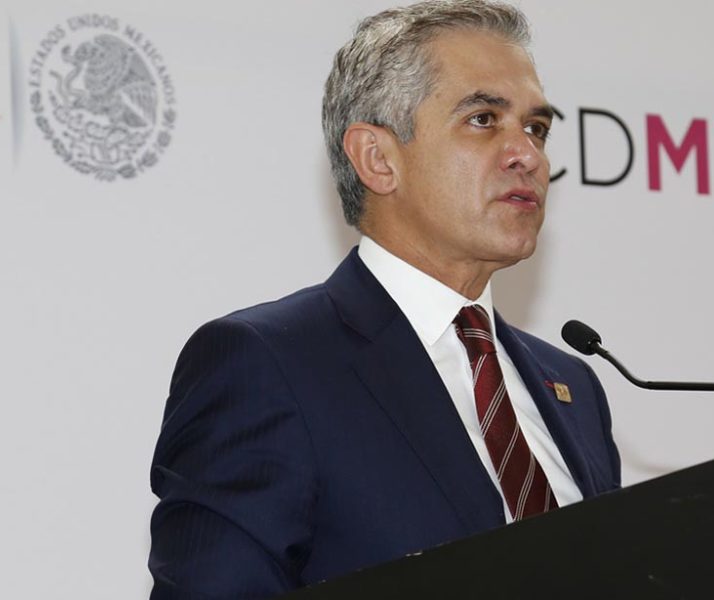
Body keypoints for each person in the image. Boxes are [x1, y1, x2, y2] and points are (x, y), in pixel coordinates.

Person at [148, 1, 620, 598]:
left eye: (537, 128)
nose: (527, 154)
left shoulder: (574, 386)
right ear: (377, 158)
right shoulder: (269, 364)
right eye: (483, 119)